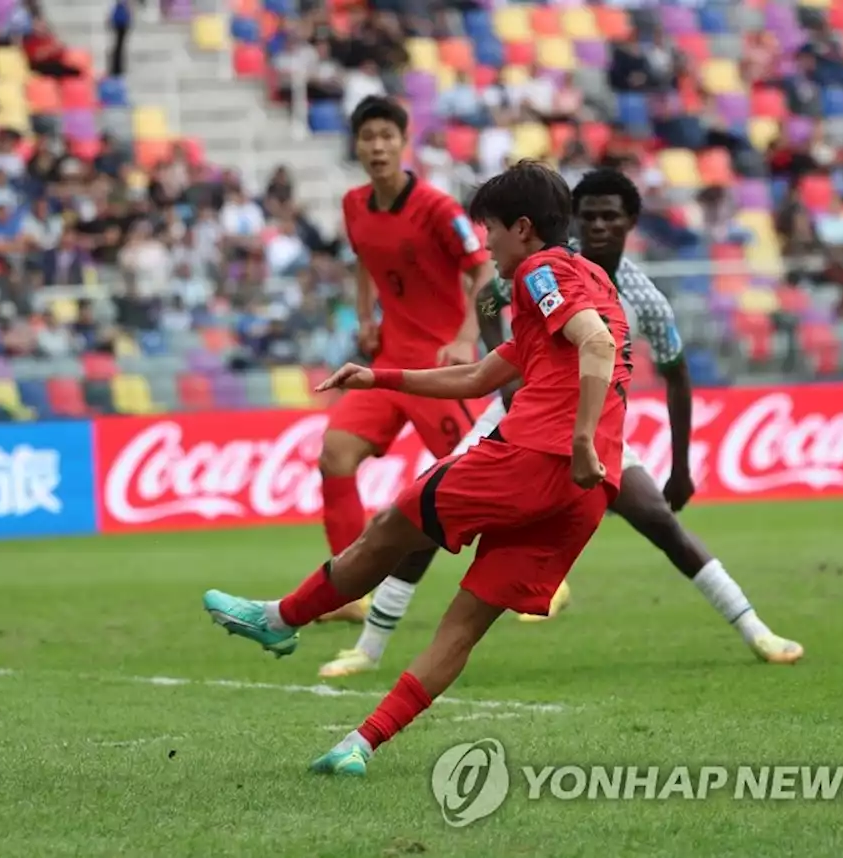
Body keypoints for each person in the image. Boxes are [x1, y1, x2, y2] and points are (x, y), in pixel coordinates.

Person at [204, 161, 632, 776]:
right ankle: (360, 744)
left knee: (387, 531)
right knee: (462, 627)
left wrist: (581, 436)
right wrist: (375, 374)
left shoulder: (541, 271)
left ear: (523, 228)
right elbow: (480, 375)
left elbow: (597, 344)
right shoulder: (585, 278)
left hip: (532, 458)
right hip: (584, 493)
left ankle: (279, 619)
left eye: (491, 230)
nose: (486, 244)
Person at [320, 168, 803, 678]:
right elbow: (488, 300)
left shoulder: (644, 297)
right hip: (514, 415)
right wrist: (502, 369)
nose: (597, 226)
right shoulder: (542, 268)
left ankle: (755, 629)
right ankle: (369, 648)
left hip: (591, 429)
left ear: (629, 223)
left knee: (659, 521)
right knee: (428, 520)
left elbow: (677, 376)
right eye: (587, 215)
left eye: (609, 216)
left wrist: (680, 466)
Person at [316, 95, 493, 624]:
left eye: (386, 136)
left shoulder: (438, 207)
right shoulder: (354, 205)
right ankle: (347, 589)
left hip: (441, 368)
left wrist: (466, 336)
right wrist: (365, 318)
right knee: (335, 457)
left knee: (477, 479)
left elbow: (483, 270)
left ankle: (546, 581)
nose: (377, 146)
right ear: (357, 146)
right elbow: (364, 262)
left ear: (402, 141)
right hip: (389, 362)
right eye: (367, 137)